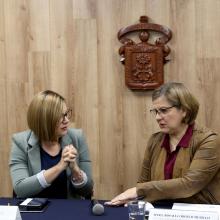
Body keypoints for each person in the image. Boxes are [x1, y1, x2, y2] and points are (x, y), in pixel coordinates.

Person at [106, 82, 220, 205]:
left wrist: (138, 191)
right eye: (155, 111)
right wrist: (136, 200)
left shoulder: (209, 140)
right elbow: (144, 182)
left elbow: (189, 185)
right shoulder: (155, 140)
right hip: (159, 212)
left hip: (199, 213)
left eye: (163, 111)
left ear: (184, 110)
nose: (157, 117)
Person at [9, 90, 93, 199]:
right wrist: (60, 166)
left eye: (66, 114)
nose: (66, 120)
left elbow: (87, 190)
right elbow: (20, 189)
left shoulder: (77, 137)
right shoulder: (20, 142)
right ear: (45, 120)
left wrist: (75, 170)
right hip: (34, 212)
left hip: (69, 211)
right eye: (60, 116)